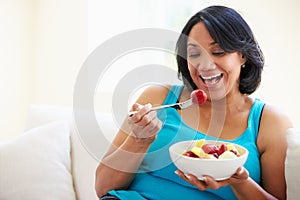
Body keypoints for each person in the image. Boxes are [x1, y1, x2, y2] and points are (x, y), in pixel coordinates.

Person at [95, 5, 293, 200]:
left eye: (218, 52)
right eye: (195, 54)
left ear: (242, 55)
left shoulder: (270, 123)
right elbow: (103, 187)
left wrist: (239, 182)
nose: (205, 66)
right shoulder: (157, 97)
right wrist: (139, 141)